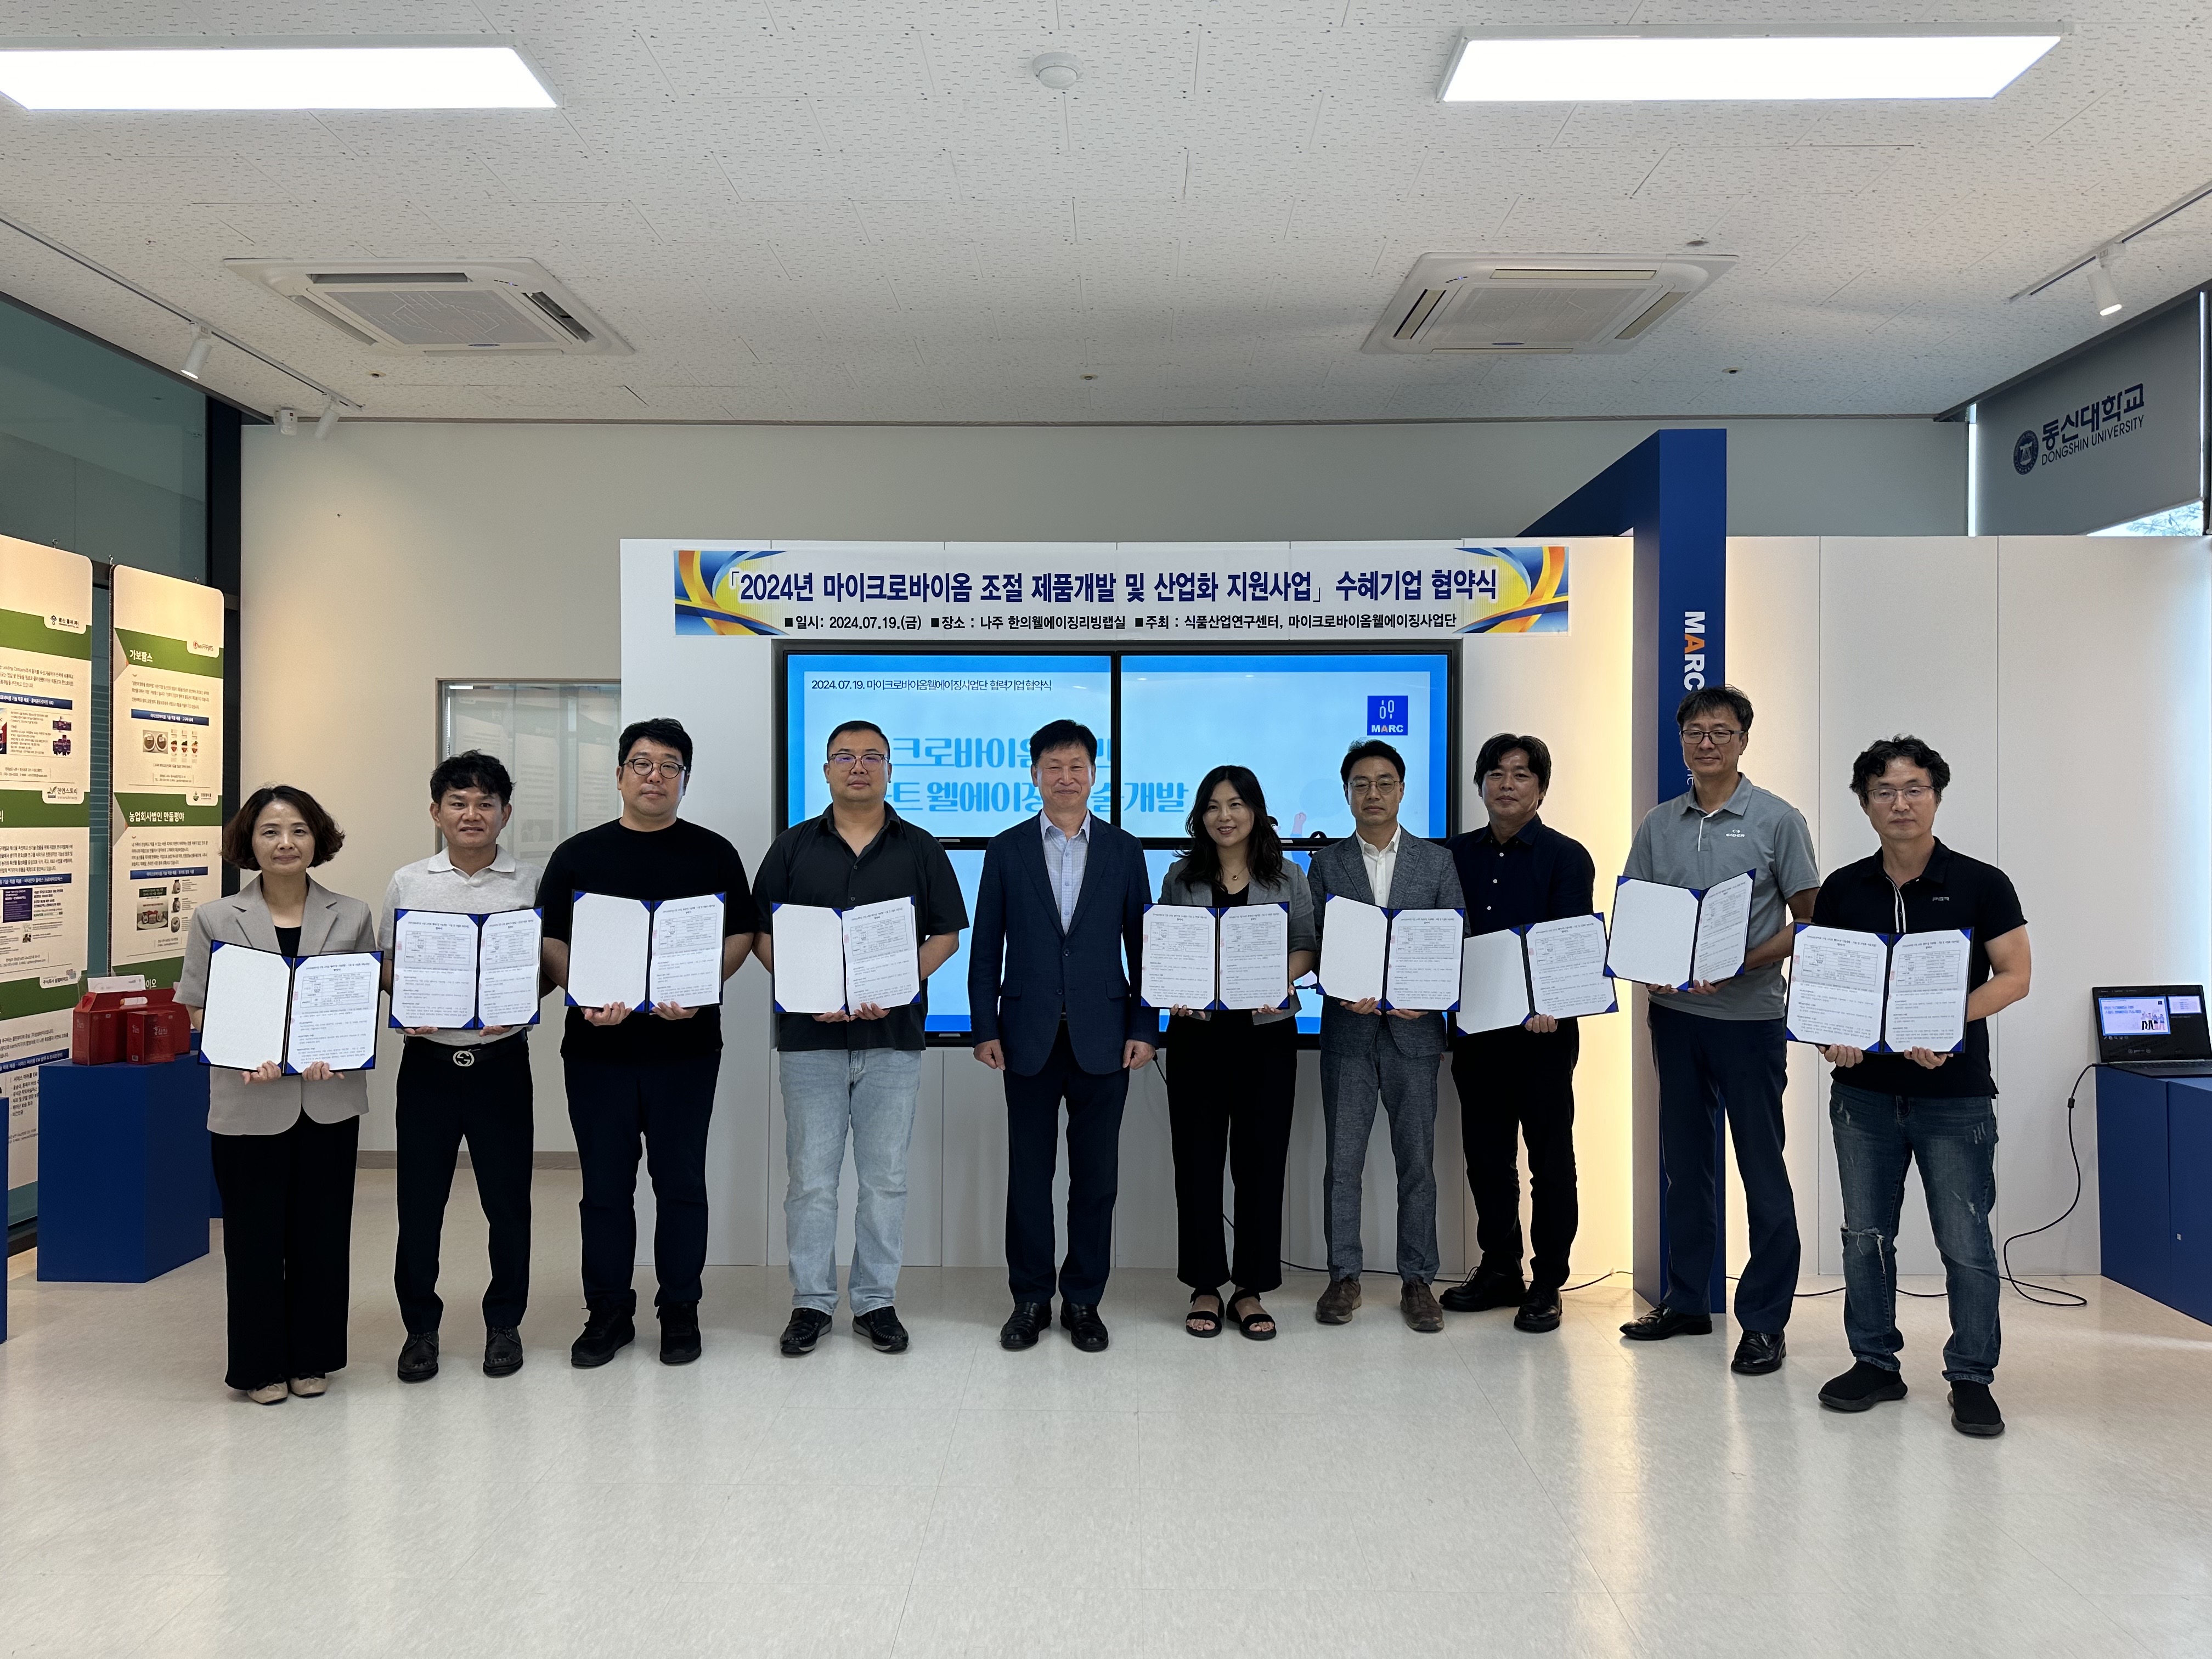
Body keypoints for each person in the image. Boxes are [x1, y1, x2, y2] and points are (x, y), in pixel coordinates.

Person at [1811, 736, 2030, 1437]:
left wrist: (1944, 1022)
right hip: (1864, 1094)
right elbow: (1825, 985)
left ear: (1936, 796)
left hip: (1955, 1096)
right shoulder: (1843, 888)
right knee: (1865, 1237)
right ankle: (1875, 1363)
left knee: (1965, 1242)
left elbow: (2015, 977)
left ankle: (1971, 1376)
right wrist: (1829, 1037)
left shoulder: (1982, 883)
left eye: (1914, 789)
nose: (1900, 803)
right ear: (1865, 804)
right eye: (1884, 791)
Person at [537, 718, 758, 1370]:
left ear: (685, 779)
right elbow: (551, 939)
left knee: (681, 1183)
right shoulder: (578, 855)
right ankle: (608, 1311)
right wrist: (582, 990)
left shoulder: (713, 853)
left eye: (669, 766)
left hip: (686, 1049)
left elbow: (741, 934)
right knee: (605, 1188)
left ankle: (680, 1308)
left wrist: (701, 988)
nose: (654, 776)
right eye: (641, 763)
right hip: (597, 1051)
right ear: (619, 775)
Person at [1618, 685, 1820, 1376]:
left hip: (1750, 1021)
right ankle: (1686, 1301)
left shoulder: (1777, 820)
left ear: (1743, 740)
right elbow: (1640, 911)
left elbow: (1809, 921)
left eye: (1721, 732)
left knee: (1761, 1169)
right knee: (1686, 1167)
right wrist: (1648, 966)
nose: (1707, 743)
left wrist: (1743, 961)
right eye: (1695, 732)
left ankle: (1764, 1322)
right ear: (1681, 741)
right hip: (1676, 1019)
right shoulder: (1659, 823)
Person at [752, 719, 968, 1358]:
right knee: (811, 1182)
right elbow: (761, 934)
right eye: (844, 756)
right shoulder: (791, 848)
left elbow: (946, 935)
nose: (858, 766)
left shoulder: (921, 848)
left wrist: (899, 982)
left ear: (889, 771)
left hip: (893, 1038)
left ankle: (876, 1301)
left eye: (872, 757)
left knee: (885, 1181)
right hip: (809, 1041)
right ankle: (811, 1303)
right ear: (825, 771)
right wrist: (809, 988)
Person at [176, 786, 379, 1404]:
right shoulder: (216, 918)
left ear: (318, 839)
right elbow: (196, 1009)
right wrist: (245, 1051)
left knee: (322, 1237)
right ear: (250, 841)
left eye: (298, 830)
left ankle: (313, 1358)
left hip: (328, 1099)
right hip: (248, 1101)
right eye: (270, 831)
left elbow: (356, 1000)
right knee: (253, 1240)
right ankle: (259, 1367)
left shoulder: (351, 914)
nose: (285, 843)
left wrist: (337, 1049)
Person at [969, 719, 1154, 1354]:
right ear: (1034, 774)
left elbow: (1144, 948)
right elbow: (986, 947)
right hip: (1026, 1036)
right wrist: (984, 1027)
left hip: (1106, 1036)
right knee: (1029, 1177)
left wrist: (1145, 1027)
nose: (1066, 777)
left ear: (1094, 774)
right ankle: (1029, 1299)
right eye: (1054, 766)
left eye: (1077, 766)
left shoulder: (1124, 851)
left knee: (1096, 1180)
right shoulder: (1006, 849)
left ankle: (1082, 1300)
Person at [378, 751, 544, 1385]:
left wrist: (521, 1000)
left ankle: (505, 1323)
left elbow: (546, 966)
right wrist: (408, 997)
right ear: (436, 812)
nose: (472, 814)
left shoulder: (530, 883)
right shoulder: (408, 882)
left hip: (502, 1064)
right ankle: (420, 1329)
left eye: (484, 803)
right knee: (420, 1206)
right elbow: (386, 963)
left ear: (506, 813)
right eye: (458, 802)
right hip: (428, 1066)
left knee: (509, 1203)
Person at [1306, 738, 1466, 1333]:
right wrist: (1336, 988)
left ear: (1401, 790)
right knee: (1343, 1163)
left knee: (1417, 1163)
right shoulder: (1327, 864)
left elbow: (1453, 941)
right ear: (1347, 794)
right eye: (1360, 784)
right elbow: (1315, 942)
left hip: (1415, 1036)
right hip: (1348, 1032)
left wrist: (1430, 999)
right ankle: (1343, 1276)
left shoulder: (1436, 862)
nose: (1372, 794)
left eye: (1383, 783)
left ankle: (1418, 1280)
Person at [1158, 765, 1318, 1341]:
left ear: (1255, 810)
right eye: (1213, 806)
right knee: (1197, 1163)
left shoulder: (1289, 875)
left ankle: (1249, 1288)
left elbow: (1307, 945)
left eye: (1236, 804)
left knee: (1261, 1163)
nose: (1224, 816)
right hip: (1198, 1035)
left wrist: (1275, 977)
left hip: (1266, 1035)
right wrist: (1173, 985)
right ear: (1200, 816)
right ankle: (1205, 1284)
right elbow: (1167, 946)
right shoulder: (1180, 876)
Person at [1442, 733, 1596, 1334]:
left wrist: (1551, 1002)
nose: (1507, 784)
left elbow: (1570, 943)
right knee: (1487, 1159)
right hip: (1478, 1033)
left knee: (1551, 1163)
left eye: (1522, 774)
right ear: (1480, 784)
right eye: (1497, 773)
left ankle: (1549, 1281)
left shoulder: (1566, 856)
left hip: (1542, 1035)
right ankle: (1500, 1267)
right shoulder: (1453, 855)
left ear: (1541, 788)